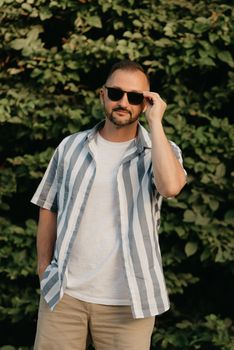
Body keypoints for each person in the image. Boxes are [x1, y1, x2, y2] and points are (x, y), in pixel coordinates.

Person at [31, 60, 186, 350]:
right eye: (116, 93)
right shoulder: (70, 147)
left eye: (135, 97)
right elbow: (47, 205)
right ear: (103, 95)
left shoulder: (160, 151)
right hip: (64, 296)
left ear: (146, 103)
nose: (123, 102)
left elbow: (171, 187)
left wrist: (156, 122)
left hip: (128, 304)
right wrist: (43, 267)